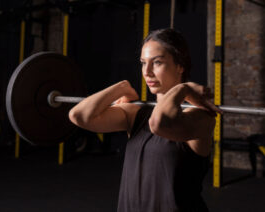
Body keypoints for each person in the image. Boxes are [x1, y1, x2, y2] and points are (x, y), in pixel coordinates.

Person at [68, 28, 221, 212]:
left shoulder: (200, 116)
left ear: (179, 65)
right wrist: (120, 87)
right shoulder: (136, 114)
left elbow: (159, 124)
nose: (147, 72)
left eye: (157, 62)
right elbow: (79, 116)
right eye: (143, 63)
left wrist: (185, 89)